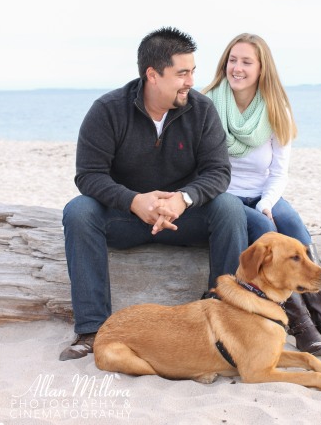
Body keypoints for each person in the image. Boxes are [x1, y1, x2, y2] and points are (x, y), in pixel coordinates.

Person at [59, 27, 248, 361]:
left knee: (229, 209)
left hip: (183, 219)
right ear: (153, 75)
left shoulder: (202, 110)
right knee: (79, 211)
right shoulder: (107, 110)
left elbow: (219, 172)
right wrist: (133, 200)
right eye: (182, 73)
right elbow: (88, 175)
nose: (191, 81)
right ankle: (91, 329)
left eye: (192, 71)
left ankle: (225, 319)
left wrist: (183, 199)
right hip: (126, 219)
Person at [202, 33, 321, 361]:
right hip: (223, 197)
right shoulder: (208, 104)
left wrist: (268, 203)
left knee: (291, 224)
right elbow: (203, 167)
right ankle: (302, 327)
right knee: (263, 228)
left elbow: (279, 171)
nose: (237, 68)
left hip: (263, 194)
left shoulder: (276, 108)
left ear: (261, 68)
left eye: (246, 62)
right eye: (233, 60)